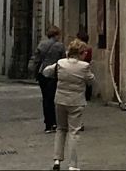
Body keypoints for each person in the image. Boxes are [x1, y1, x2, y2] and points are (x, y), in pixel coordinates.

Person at [42, 38, 94, 171]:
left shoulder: (61, 63)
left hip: (60, 100)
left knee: (60, 129)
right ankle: (72, 164)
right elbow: (91, 80)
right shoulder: (84, 66)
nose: (86, 54)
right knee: (73, 132)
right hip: (76, 102)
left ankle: (57, 160)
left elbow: (46, 71)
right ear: (80, 53)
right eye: (84, 52)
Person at [34, 25, 66, 132]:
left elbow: (37, 60)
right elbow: (63, 61)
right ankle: (54, 122)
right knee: (52, 98)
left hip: (42, 73)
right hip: (54, 74)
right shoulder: (60, 46)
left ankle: (48, 123)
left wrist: (36, 73)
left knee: (45, 98)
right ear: (56, 35)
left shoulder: (42, 44)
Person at [76, 31, 93, 104]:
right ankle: (87, 95)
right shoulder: (89, 48)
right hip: (86, 65)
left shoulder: (83, 48)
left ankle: (86, 94)